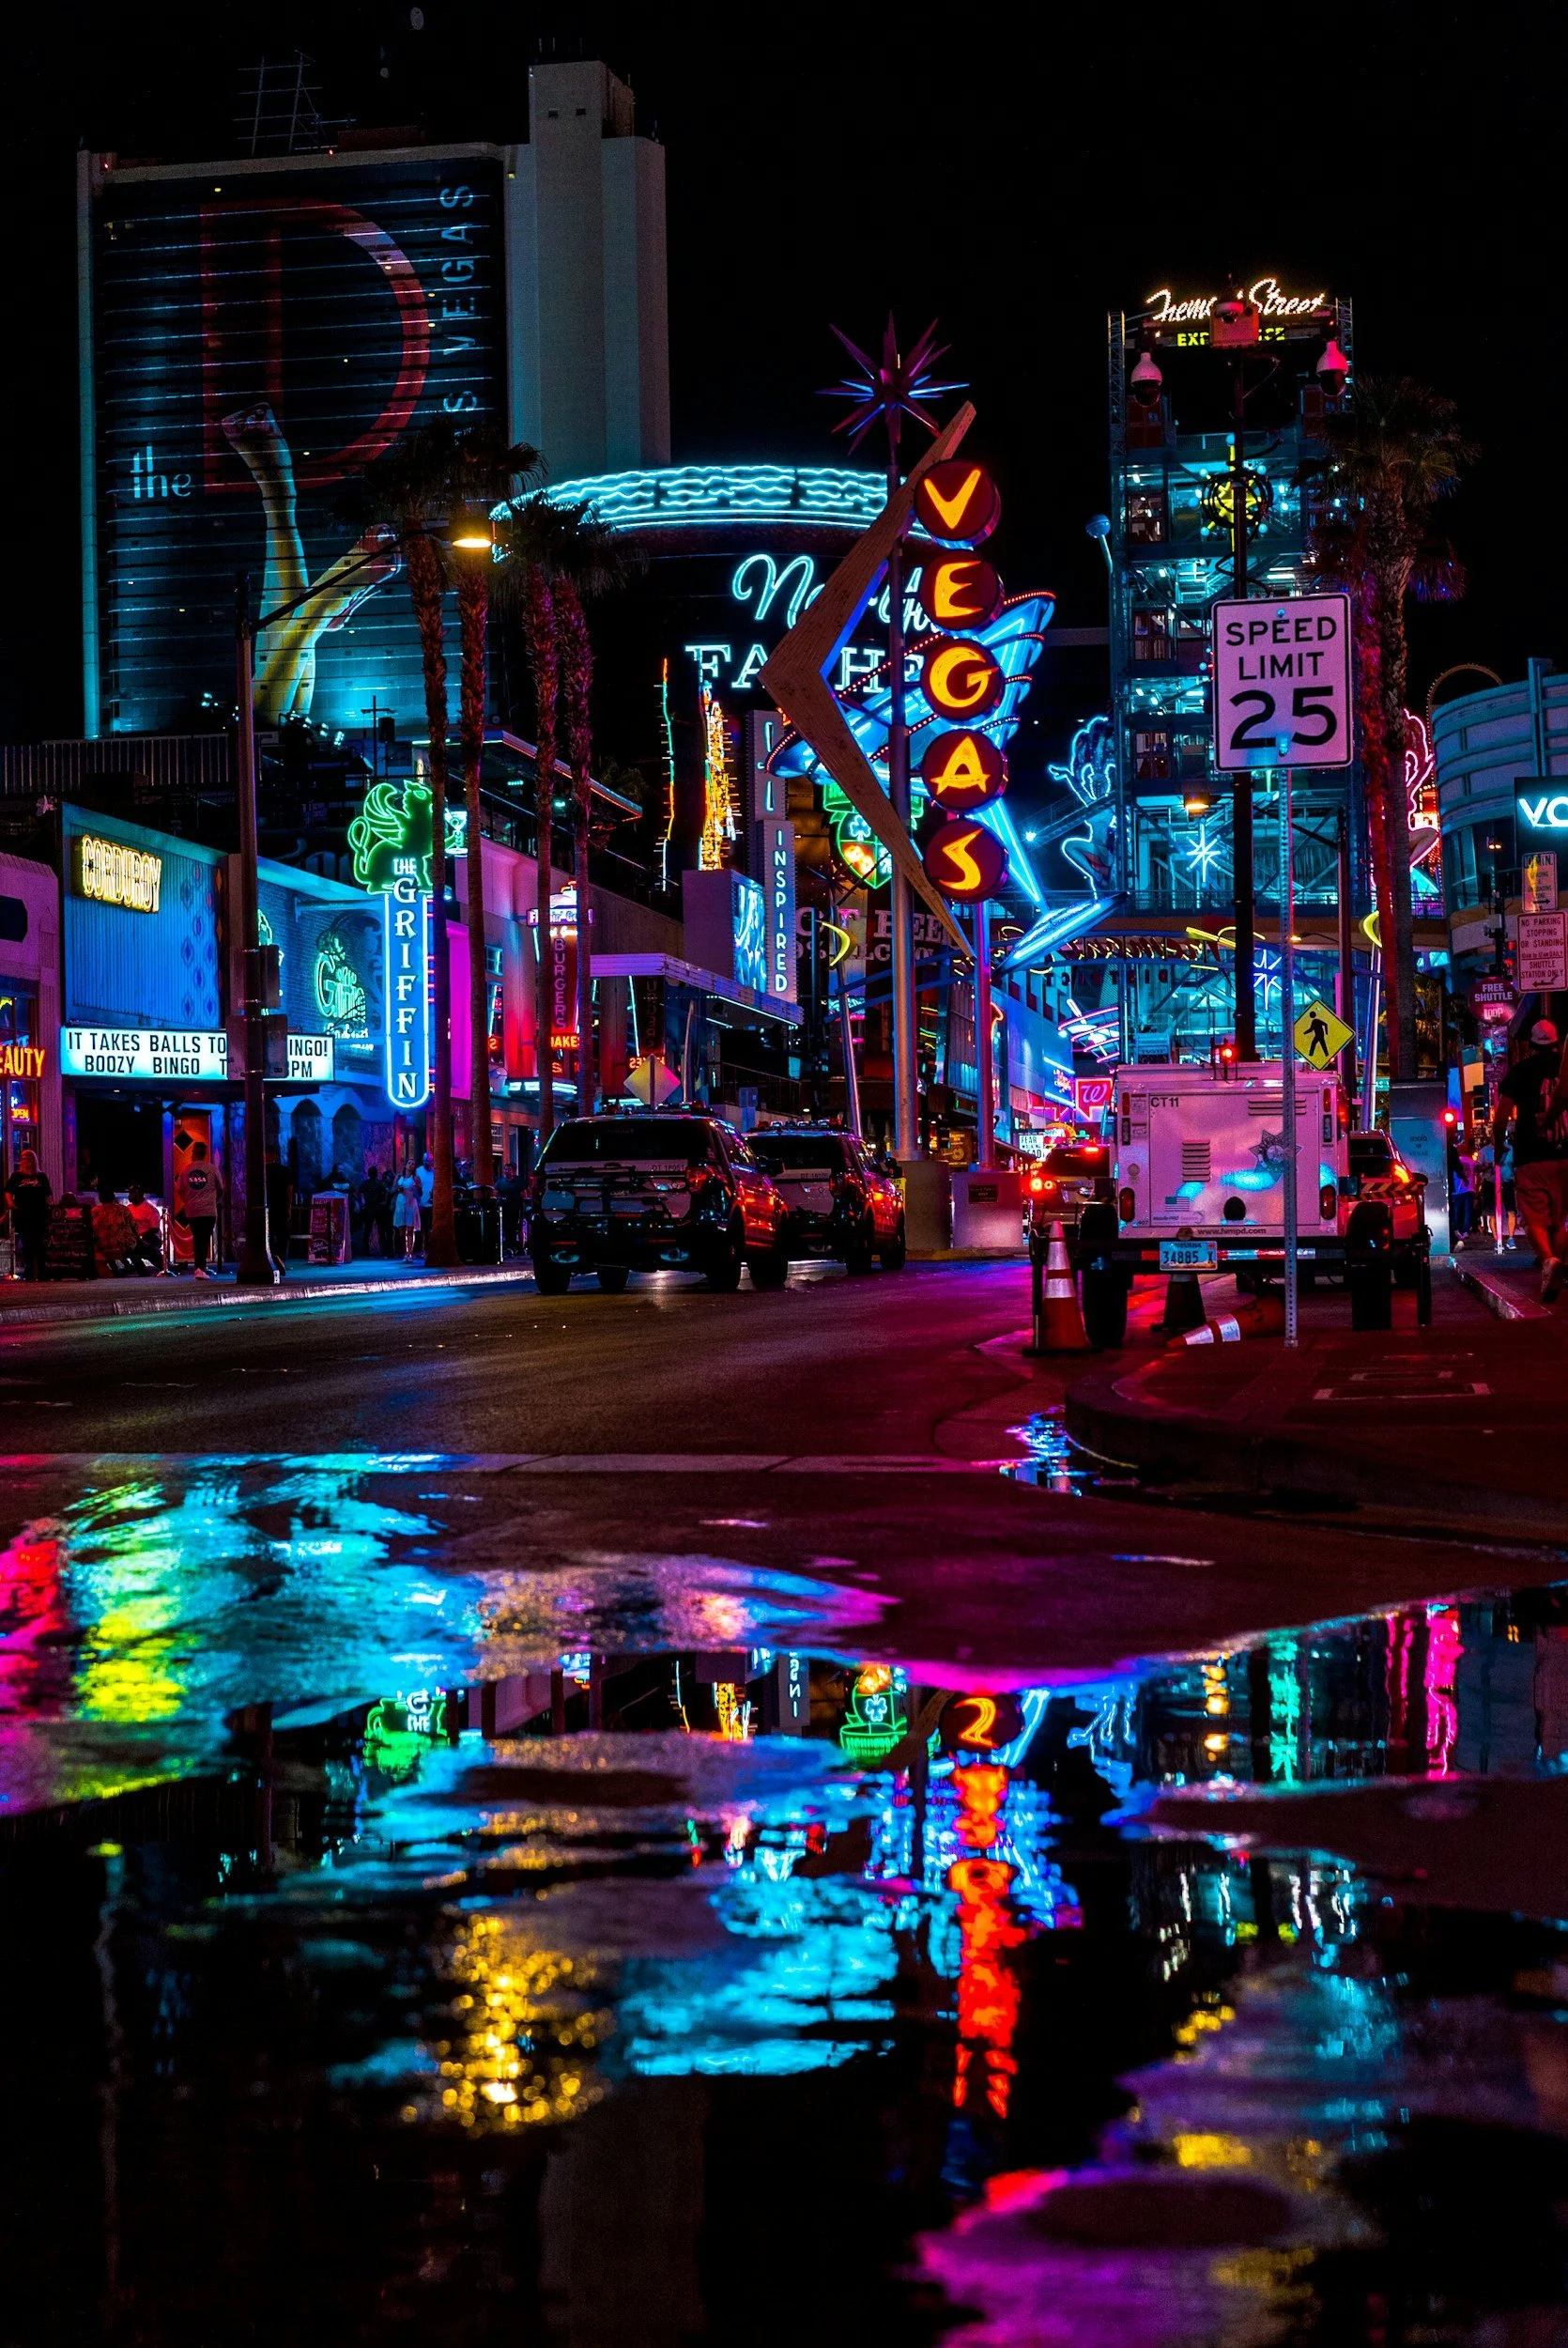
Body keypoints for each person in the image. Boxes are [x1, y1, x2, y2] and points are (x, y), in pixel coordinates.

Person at [1495, 1018, 1568, 1301]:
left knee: (1534, 1217)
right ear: (1557, 1043)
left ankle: (1549, 1260)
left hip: (1532, 1156)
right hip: (1563, 1154)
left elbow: (1502, 1113)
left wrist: (1499, 1144)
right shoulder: (1564, 1069)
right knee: (1559, 1220)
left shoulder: (1520, 1071)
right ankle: (1555, 1264)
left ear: (1531, 1044)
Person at [174, 1142, 223, 1280]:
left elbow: (179, 1189)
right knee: (205, 1238)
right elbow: (221, 1189)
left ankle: (199, 1267)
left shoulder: (185, 1170)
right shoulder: (212, 1169)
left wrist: (187, 1201)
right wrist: (212, 1199)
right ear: (205, 1154)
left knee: (197, 1238)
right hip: (208, 1210)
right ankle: (200, 1267)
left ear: (194, 1153)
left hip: (193, 1210)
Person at [5, 1149, 52, 1281]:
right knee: (27, 1244)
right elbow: (8, 1192)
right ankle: (29, 1272)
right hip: (23, 1214)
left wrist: (51, 1208)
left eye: (29, 1158)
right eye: (24, 1158)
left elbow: (48, 1194)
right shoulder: (16, 1176)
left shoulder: (41, 1176)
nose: (26, 1161)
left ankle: (42, 1272)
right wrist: (11, 1204)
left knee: (40, 1244)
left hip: (39, 1213)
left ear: (34, 1160)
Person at [91, 1180, 141, 1276]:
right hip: (123, 1245)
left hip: (102, 1244)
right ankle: (138, 1270)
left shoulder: (94, 1212)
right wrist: (137, 1237)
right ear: (113, 1197)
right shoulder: (122, 1209)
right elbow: (134, 1226)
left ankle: (118, 1269)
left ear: (100, 1198)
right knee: (140, 1247)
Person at [266, 1151, 293, 1278]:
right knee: (283, 1235)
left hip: (268, 1207)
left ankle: (274, 1255)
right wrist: (288, 1207)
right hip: (281, 1206)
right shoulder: (285, 1171)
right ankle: (281, 1257)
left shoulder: (263, 1171)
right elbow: (289, 1190)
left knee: (269, 1234)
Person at [126, 1184, 164, 1274]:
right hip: (134, 1238)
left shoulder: (150, 1209)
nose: (129, 1196)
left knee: (139, 1248)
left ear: (138, 1194)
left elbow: (155, 1228)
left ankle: (162, 1266)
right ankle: (141, 1270)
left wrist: (140, 1236)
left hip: (149, 1237)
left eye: (131, 1194)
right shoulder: (128, 1208)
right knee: (131, 1247)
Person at [392, 1161, 423, 1261]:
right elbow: (393, 1188)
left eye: (413, 1164)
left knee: (410, 1229)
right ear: (406, 1165)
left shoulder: (415, 1178)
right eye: (409, 1163)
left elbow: (420, 1193)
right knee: (401, 1230)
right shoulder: (399, 1177)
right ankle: (404, 1252)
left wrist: (416, 1189)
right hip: (401, 1203)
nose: (411, 1165)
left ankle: (410, 1253)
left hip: (411, 1203)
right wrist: (398, 1188)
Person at [416, 1149, 436, 1254]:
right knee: (420, 1228)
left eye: (430, 1161)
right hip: (420, 1203)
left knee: (429, 1228)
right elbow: (416, 1187)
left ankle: (428, 1249)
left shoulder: (434, 1172)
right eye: (426, 1160)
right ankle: (420, 1249)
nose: (428, 1163)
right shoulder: (418, 1171)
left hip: (431, 1203)